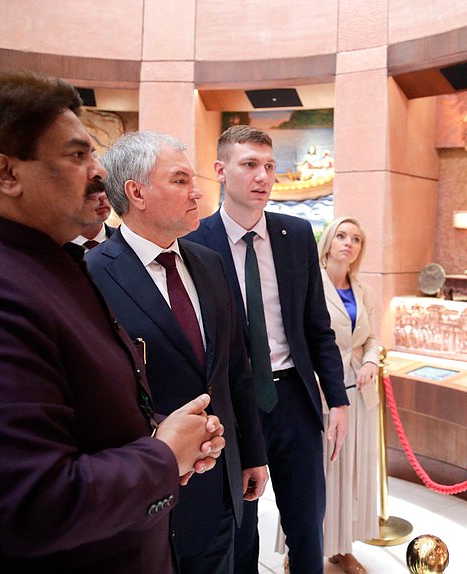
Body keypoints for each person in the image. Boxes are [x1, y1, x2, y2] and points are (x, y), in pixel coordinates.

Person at [0, 70, 225, 573]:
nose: (99, 172)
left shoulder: (49, 263)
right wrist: (163, 457)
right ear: (7, 174)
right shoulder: (0, 290)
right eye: (77, 155)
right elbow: (32, 501)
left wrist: (166, 435)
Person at [86, 131, 269, 574]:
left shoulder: (209, 262)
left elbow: (234, 368)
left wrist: (252, 454)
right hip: (145, 494)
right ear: (136, 192)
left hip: (219, 483)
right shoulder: (91, 274)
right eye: (181, 179)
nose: (199, 191)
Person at [186, 125, 349, 574]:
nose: (263, 176)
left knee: (305, 523)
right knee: (240, 528)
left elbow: (318, 327)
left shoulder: (296, 235)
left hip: (294, 396)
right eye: (249, 165)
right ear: (221, 171)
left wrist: (337, 399)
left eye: (270, 166)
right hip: (233, 407)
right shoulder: (193, 242)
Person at [317, 217, 381, 573]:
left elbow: (373, 337)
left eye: (356, 238)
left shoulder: (364, 290)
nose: (348, 243)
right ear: (328, 243)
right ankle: (300, 547)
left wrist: (371, 360)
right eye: (341, 236)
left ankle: (342, 547)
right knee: (319, 473)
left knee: (352, 473)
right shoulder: (312, 285)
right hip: (322, 391)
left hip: (361, 391)